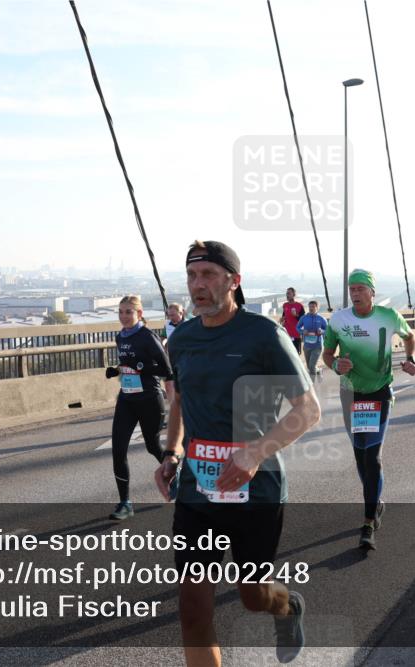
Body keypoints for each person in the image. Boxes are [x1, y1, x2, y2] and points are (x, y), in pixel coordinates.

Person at [155, 241, 319, 666]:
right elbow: (179, 402)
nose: (198, 285)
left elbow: (308, 410)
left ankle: (288, 606)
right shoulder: (183, 339)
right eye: (192, 276)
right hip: (197, 495)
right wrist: (172, 453)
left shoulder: (263, 335)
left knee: (253, 596)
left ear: (234, 281)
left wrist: (253, 455)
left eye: (209, 275)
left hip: (256, 492)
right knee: (192, 612)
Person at [322, 269, 415, 551]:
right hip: (350, 395)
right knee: (361, 456)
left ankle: (367, 522)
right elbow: (328, 355)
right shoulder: (339, 320)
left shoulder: (388, 316)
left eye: (361, 288)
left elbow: (411, 337)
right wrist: (336, 365)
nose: (355, 293)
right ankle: (376, 502)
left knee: (372, 457)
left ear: (372, 292)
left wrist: (411, 358)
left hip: (378, 393)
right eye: (352, 288)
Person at [104, 295, 174, 521]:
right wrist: (117, 370)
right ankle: (125, 503)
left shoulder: (147, 337)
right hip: (127, 399)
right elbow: (128, 365)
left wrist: (140, 366)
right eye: (121, 312)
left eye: (128, 312)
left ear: (139, 314)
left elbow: (165, 368)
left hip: (149, 398)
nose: (124, 316)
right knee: (118, 450)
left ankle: (176, 474)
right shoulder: (119, 337)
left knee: (153, 447)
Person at [296, 300, 327, 382]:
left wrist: (322, 331)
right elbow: (297, 327)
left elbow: (328, 330)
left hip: (317, 346)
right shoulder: (304, 318)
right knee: (310, 367)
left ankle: (312, 386)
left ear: (317, 308)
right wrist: (303, 331)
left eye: (313, 307)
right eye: (310, 307)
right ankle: (319, 370)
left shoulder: (321, 319)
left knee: (312, 366)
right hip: (307, 346)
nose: (311, 308)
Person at [280, 288, 305, 354]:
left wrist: (296, 315)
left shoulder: (299, 306)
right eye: (286, 293)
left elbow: (303, 320)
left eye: (289, 293)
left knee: (296, 354)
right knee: (286, 353)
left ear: (294, 294)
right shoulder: (285, 305)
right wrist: (282, 319)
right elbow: (284, 316)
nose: (287, 295)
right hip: (286, 334)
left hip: (296, 334)